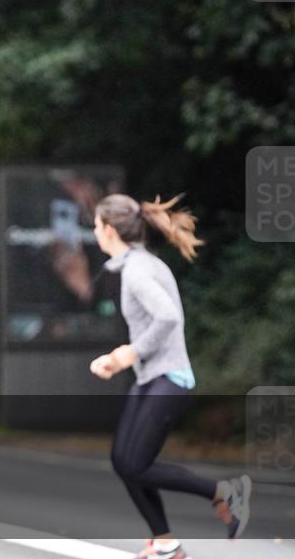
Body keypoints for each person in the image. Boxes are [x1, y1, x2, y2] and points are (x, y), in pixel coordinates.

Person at [89, 194, 251, 559]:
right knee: (123, 461)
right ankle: (164, 542)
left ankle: (223, 493)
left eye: (97, 225)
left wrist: (126, 354)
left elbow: (168, 318)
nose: (95, 232)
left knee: (134, 463)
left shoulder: (137, 270)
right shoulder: (138, 263)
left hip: (169, 379)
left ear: (110, 230)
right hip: (151, 378)